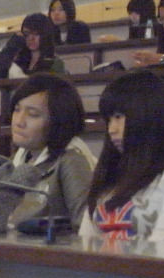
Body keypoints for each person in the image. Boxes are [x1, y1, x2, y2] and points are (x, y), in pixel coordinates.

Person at [79, 70, 164, 242]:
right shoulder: (108, 175)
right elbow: (84, 243)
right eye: (108, 120)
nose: (111, 129)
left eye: (118, 117)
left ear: (147, 116)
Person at [6, 74, 96, 228]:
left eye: (33, 115)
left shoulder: (72, 161)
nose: (19, 121)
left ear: (58, 121)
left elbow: (85, 227)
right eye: (17, 109)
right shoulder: (16, 160)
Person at [0, 13, 66, 79]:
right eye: (26, 34)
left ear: (45, 35)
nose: (30, 38)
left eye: (36, 33)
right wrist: (10, 48)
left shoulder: (54, 63)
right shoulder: (19, 60)